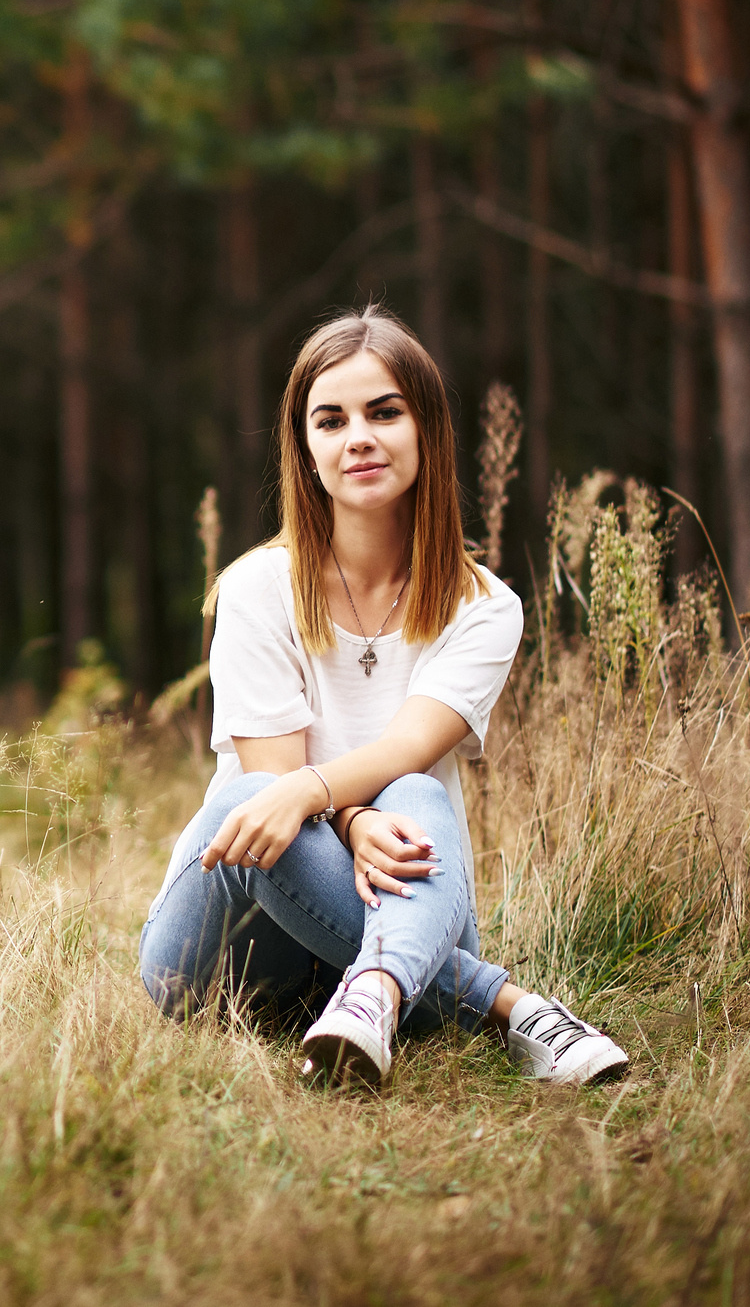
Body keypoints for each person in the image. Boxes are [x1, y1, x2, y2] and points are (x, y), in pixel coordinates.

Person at [138, 305, 627, 1090]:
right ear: (308, 449)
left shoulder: (485, 606)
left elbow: (406, 749)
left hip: (394, 892)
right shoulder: (256, 588)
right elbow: (274, 789)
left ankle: (368, 994)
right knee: (268, 796)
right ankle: (510, 1006)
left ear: (427, 427)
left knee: (412, 788)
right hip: (226, 939)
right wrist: (349, 815)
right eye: (329, 420)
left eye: (384, 411)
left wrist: (350, 806)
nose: (357, 436)